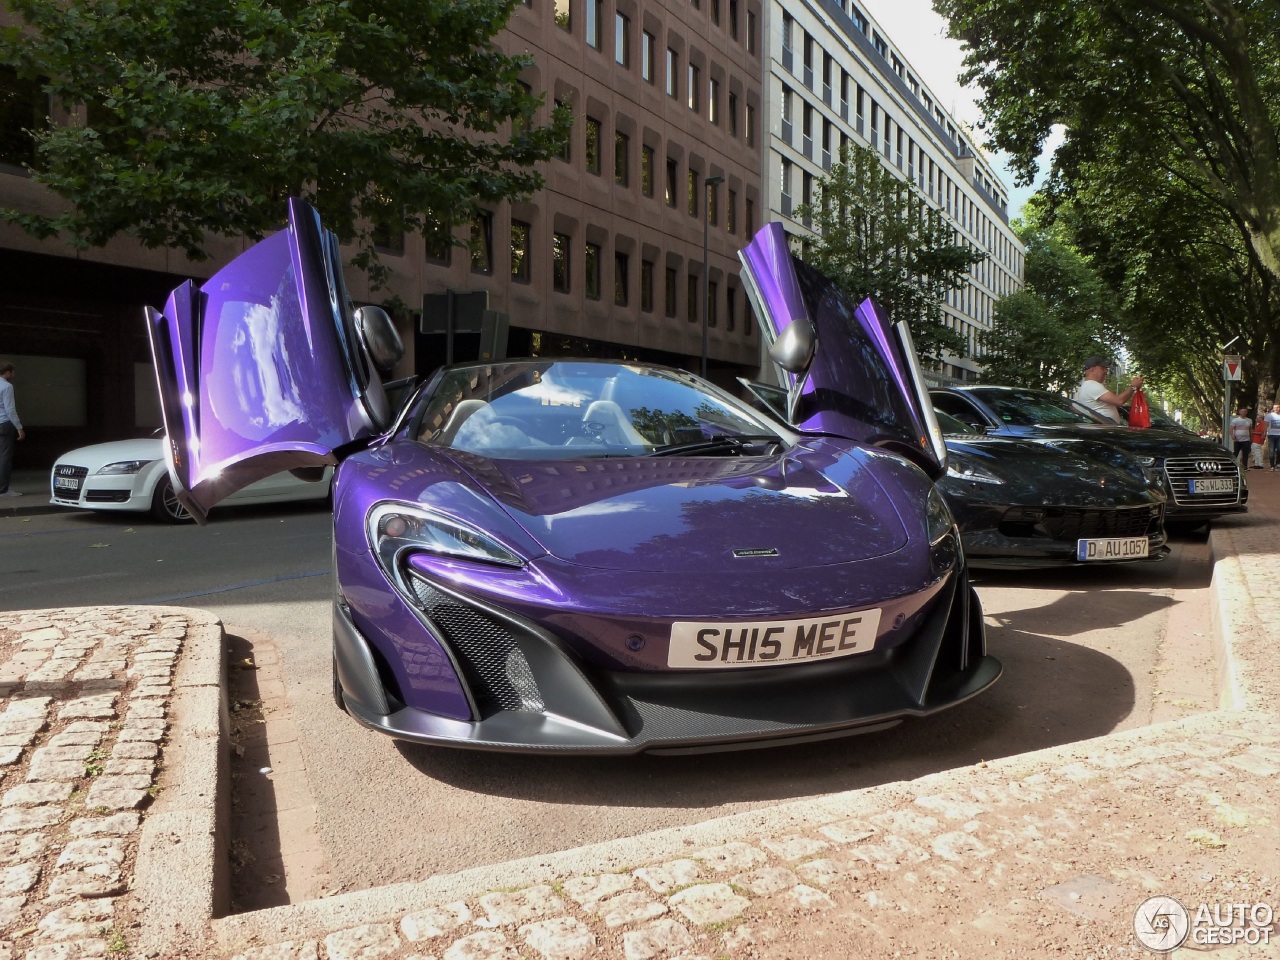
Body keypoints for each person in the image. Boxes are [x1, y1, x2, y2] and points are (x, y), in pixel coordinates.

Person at [1073, 355, 1143, 425]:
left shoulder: (1087, 386)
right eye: (1102, 368)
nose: (1106, 371)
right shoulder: (1092, 385)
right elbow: (1119, 401)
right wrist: (1133, 386)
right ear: (1092, 370)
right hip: (1102, 430)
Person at [0, 361, 24, 497]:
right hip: (4, 423)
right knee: (4, 457)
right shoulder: (7, 386)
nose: (13, 375)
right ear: (8, 372)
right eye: (12, 372)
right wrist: (19, 427)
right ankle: (3, 489)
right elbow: (9, 409)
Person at [1267, 403, 1280, 471]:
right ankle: (1272, 465)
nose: (1276, 409)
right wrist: (1264, 432)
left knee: (1279, 449)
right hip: (1271, 435)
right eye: (1274, 408)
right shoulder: (1269, 415)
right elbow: (1266, 424)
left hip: (1279, 435)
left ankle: (1278, 464)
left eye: (1277, 407)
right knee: (1271, 451)